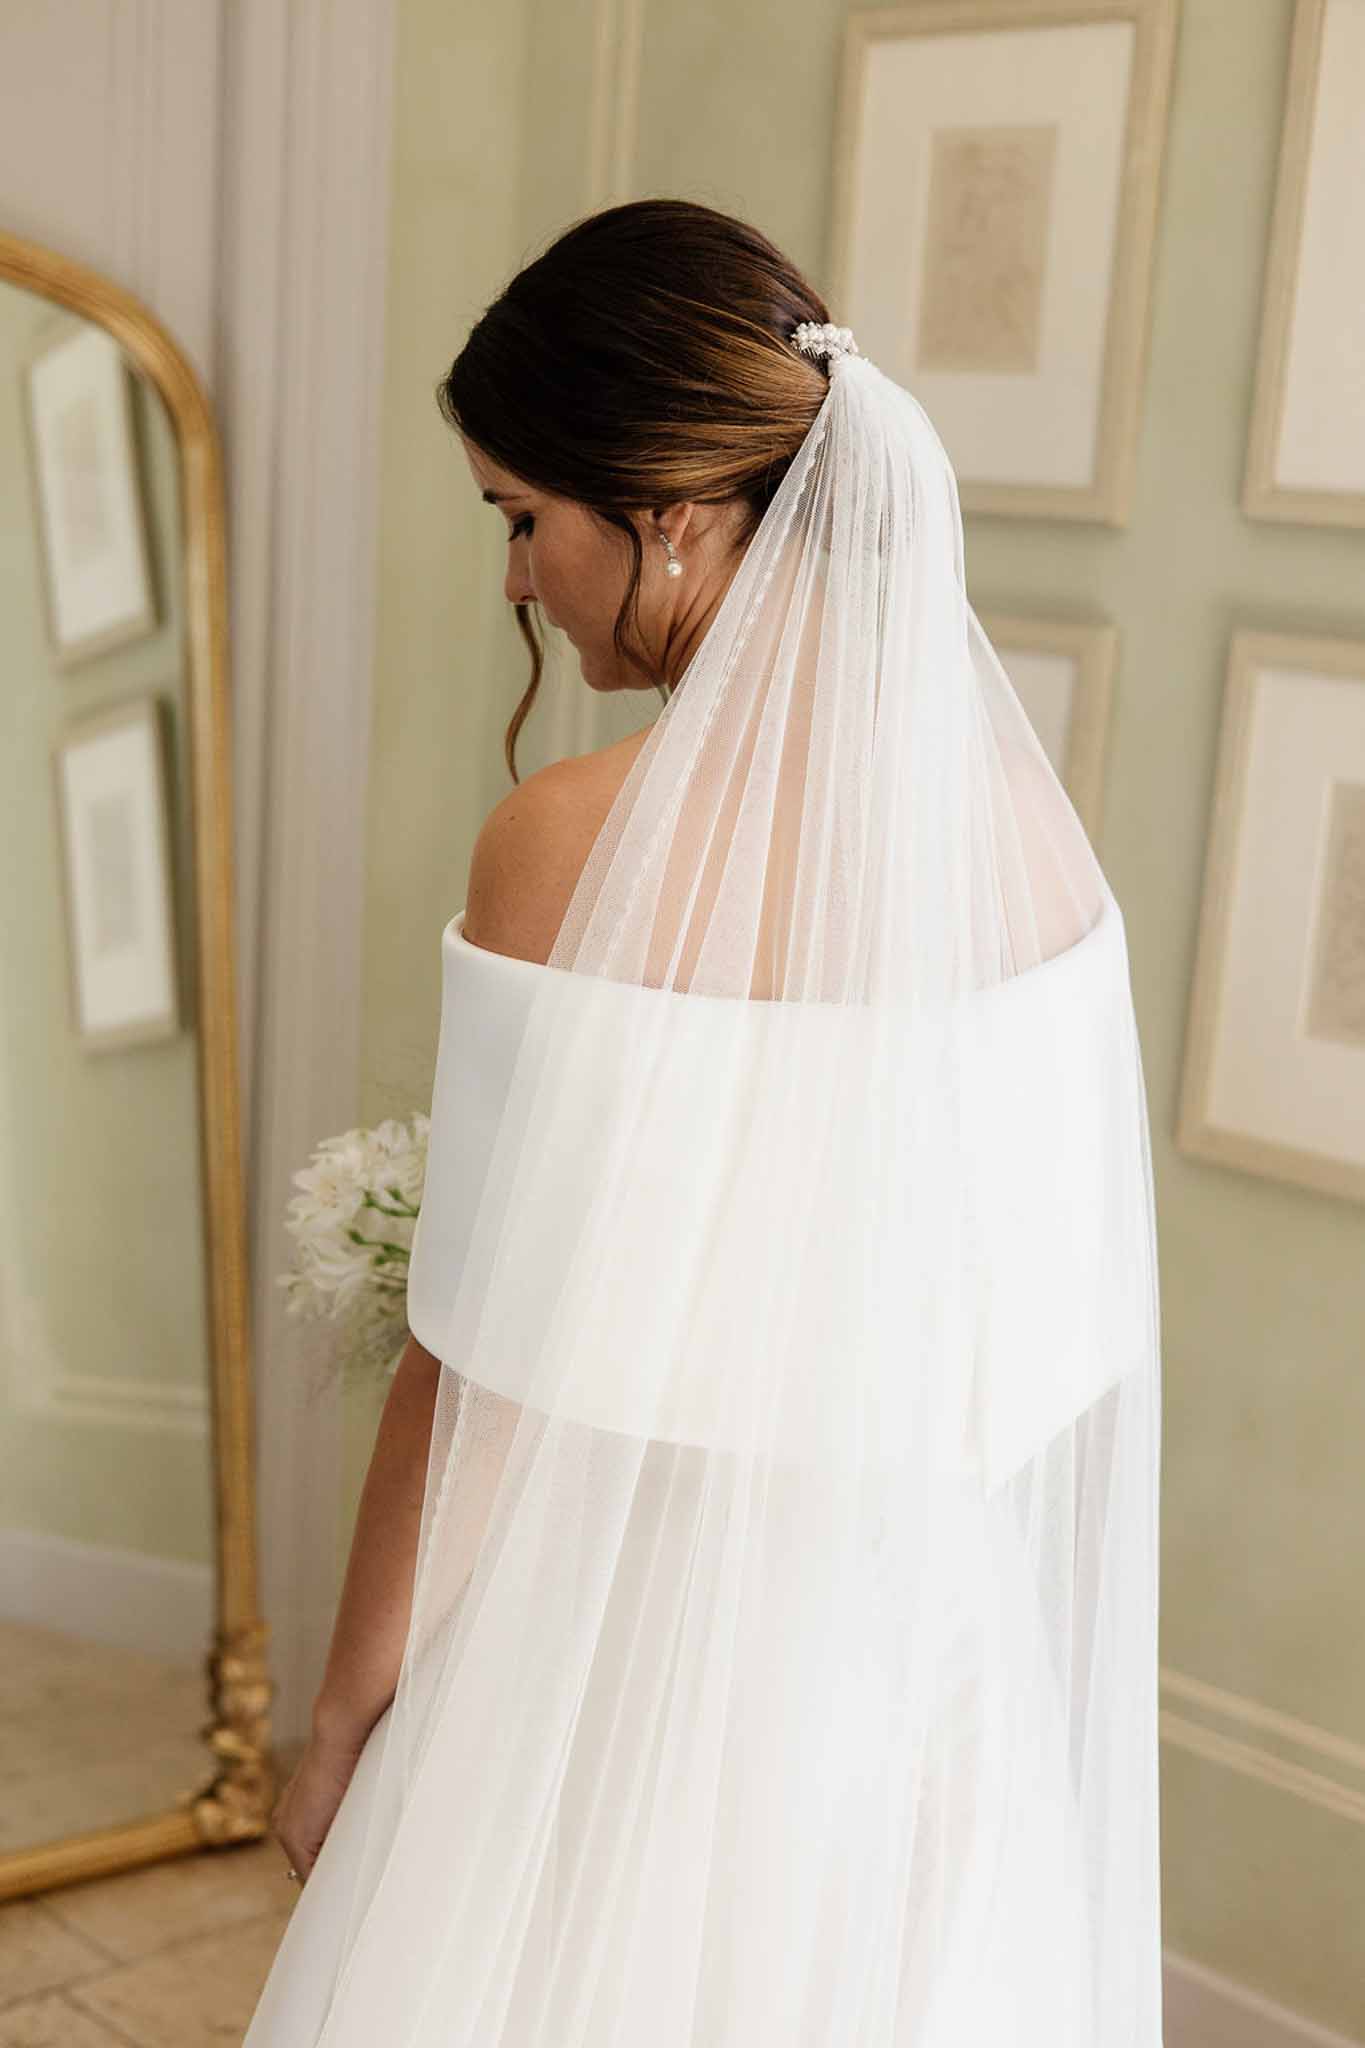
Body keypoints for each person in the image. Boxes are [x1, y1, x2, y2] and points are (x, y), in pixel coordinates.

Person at [244, 198, 1163, 2046]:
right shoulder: (1034, 843)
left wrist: (344, 1712)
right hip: (925, 1659)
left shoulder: (563, 845)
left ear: (665, 511)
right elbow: (1054, 1329)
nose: (515, 579)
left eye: (521, 517)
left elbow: (487, 1369)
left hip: (622, 1638)